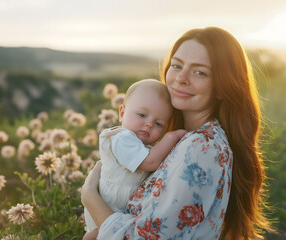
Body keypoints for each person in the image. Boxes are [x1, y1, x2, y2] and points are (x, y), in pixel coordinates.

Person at [81, 27, 273, 240]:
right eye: (177, 65)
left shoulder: (202, 146)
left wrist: (90, 198)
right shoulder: (188, 138)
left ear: (222, 87)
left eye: (200, 72)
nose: (181, 78)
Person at [83, 79, 187, 236]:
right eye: (142, 115)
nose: (149, 124)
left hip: (121, 214)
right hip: (107, 207)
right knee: (97, 234)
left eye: (159, 123)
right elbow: (149, 162)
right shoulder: (122, 138)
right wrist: (172, 137)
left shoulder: (145, 146)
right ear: (122, 113)